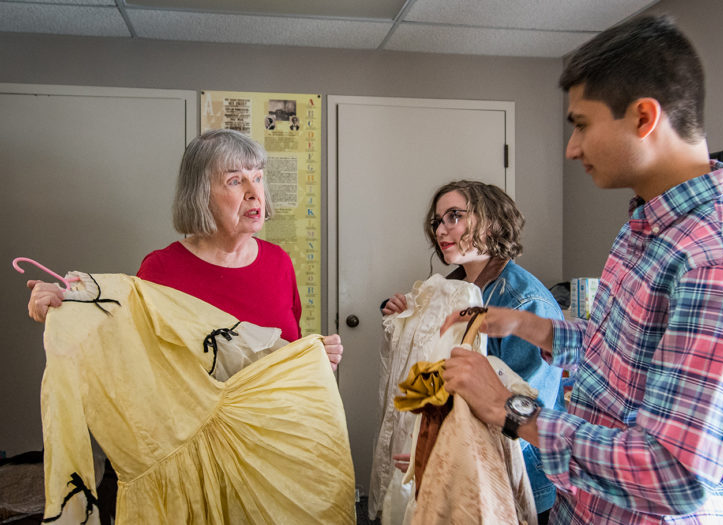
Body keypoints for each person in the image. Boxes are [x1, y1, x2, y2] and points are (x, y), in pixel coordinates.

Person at [440, 15, 723, 524]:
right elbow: (629, 356)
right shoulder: (646, 230)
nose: (571, 148)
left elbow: (673, 474)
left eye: (582, 125)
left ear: (643, 117)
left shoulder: (718, 261)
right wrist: (526, 324)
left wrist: (506, 408)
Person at [27, 128, 343, 370]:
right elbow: (129, 352)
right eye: (235, 181)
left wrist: (314, 359)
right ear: (201, 194)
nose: (254, 193)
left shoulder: (279, 262)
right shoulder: (162, 269)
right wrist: (64, 308)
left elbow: (284, 348)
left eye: (257, 178)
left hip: (272, 436)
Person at [382, 180, 565, 523]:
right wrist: (405, 315)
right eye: (437, 221)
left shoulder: (523, 301)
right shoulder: (452, 292)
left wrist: (441, 445)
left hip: (515, 476)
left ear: (492, 220)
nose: (442, 229)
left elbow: (526, 406)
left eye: (455, 216)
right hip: (464, 465)